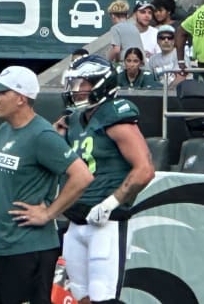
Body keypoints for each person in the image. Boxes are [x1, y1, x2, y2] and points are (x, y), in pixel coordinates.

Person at [0, 66, 93, 304]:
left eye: (1, 92)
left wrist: (49, 213)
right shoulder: (5, 130)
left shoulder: (42, 135)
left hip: (28, 250)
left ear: (21, 98)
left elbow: (82, 176)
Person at [57, 55, 155, 304]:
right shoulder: (75, 121)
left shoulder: (115, 116)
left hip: (106, 223)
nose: (75, 90)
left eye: (82, 84)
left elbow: (144, 169)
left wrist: (109, 203)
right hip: (76, 221)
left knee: (104, 296)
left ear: (100, 84)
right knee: (79, 295)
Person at [107, 0, 160, 64]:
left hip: (129, 65)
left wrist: (107, 60)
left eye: (150, 12)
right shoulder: (133, 28)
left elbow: (116, 50)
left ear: (113, 16)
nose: (147, 15)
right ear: (127, 15)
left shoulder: (116, 28)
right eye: (143, 12)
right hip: (141, 65)